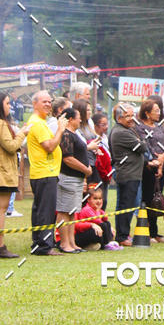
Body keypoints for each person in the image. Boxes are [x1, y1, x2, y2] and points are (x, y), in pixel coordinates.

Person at [27, 90, 68, 256]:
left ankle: (39, 243)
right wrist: (60, 130)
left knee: (40, 209)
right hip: (45, 172)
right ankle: (44, 245)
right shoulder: (37, 123)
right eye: (44, 101)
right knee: (46, 211)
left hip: (44, 172)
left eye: (49, 101)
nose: (48, 104)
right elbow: (50, 146)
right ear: (34, 104)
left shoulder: (40, 122)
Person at [110, 103, 150, 246]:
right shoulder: (121, 132)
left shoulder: (127, 129)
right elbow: (143, 147)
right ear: (119, 117)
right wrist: (141, 141)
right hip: (128, 174)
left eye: (133, 115)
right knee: (126, 205)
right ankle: (122, 236)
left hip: (131, 173)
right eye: (128, 116)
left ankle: (124, 234)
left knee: (127, 204)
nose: (131, 119)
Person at [56, 107, 94, 253]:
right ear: (70, 119)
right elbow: (68, 158)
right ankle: (64, 243)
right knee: (64, 211)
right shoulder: (66, 134)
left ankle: (72, 242)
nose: (80, 120)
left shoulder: (74, 134)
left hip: (76, 179)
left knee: (72, 212)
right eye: (78, 117)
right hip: (68, 178)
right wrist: (85, 169)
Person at [136, 98, 164, 243]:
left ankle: (155, 231)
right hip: (149, 168)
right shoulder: (140, 128)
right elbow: (146, 145)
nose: (159, 113)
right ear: (147, 113)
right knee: (148, 197)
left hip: (163, 165)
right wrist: (157, 162)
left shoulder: (159, 127)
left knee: (158, 197)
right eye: (156, 111)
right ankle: (147, 231)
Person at [0, 91, 29, 258]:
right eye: (7, 103)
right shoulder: (2, 124)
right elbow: (11, 146)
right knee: (1, 209)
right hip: (3, 173)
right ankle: (1, 246)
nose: (10, 106)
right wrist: (22, 133)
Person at [74, 183, 122, 251]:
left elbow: (105, 218)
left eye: (100, 198)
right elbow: (98, 220)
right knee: (103, 225)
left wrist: (100, 211)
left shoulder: (97, 209)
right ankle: (106, 244)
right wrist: (98, 210)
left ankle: (109, 242)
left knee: (107, 223)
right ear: (88, 199)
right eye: (95, 199)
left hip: (93, 229)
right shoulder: (87, 209)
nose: (98, 201)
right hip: (84, 231)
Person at [91, 111, 112, 210]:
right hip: (98, 173)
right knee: (97, 198)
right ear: (95, 126)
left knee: (104, 200)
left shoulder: (105, 138)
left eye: (107, 124)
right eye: (103, 125)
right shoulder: (94, 139)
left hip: (106, 173)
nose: (106, 127)